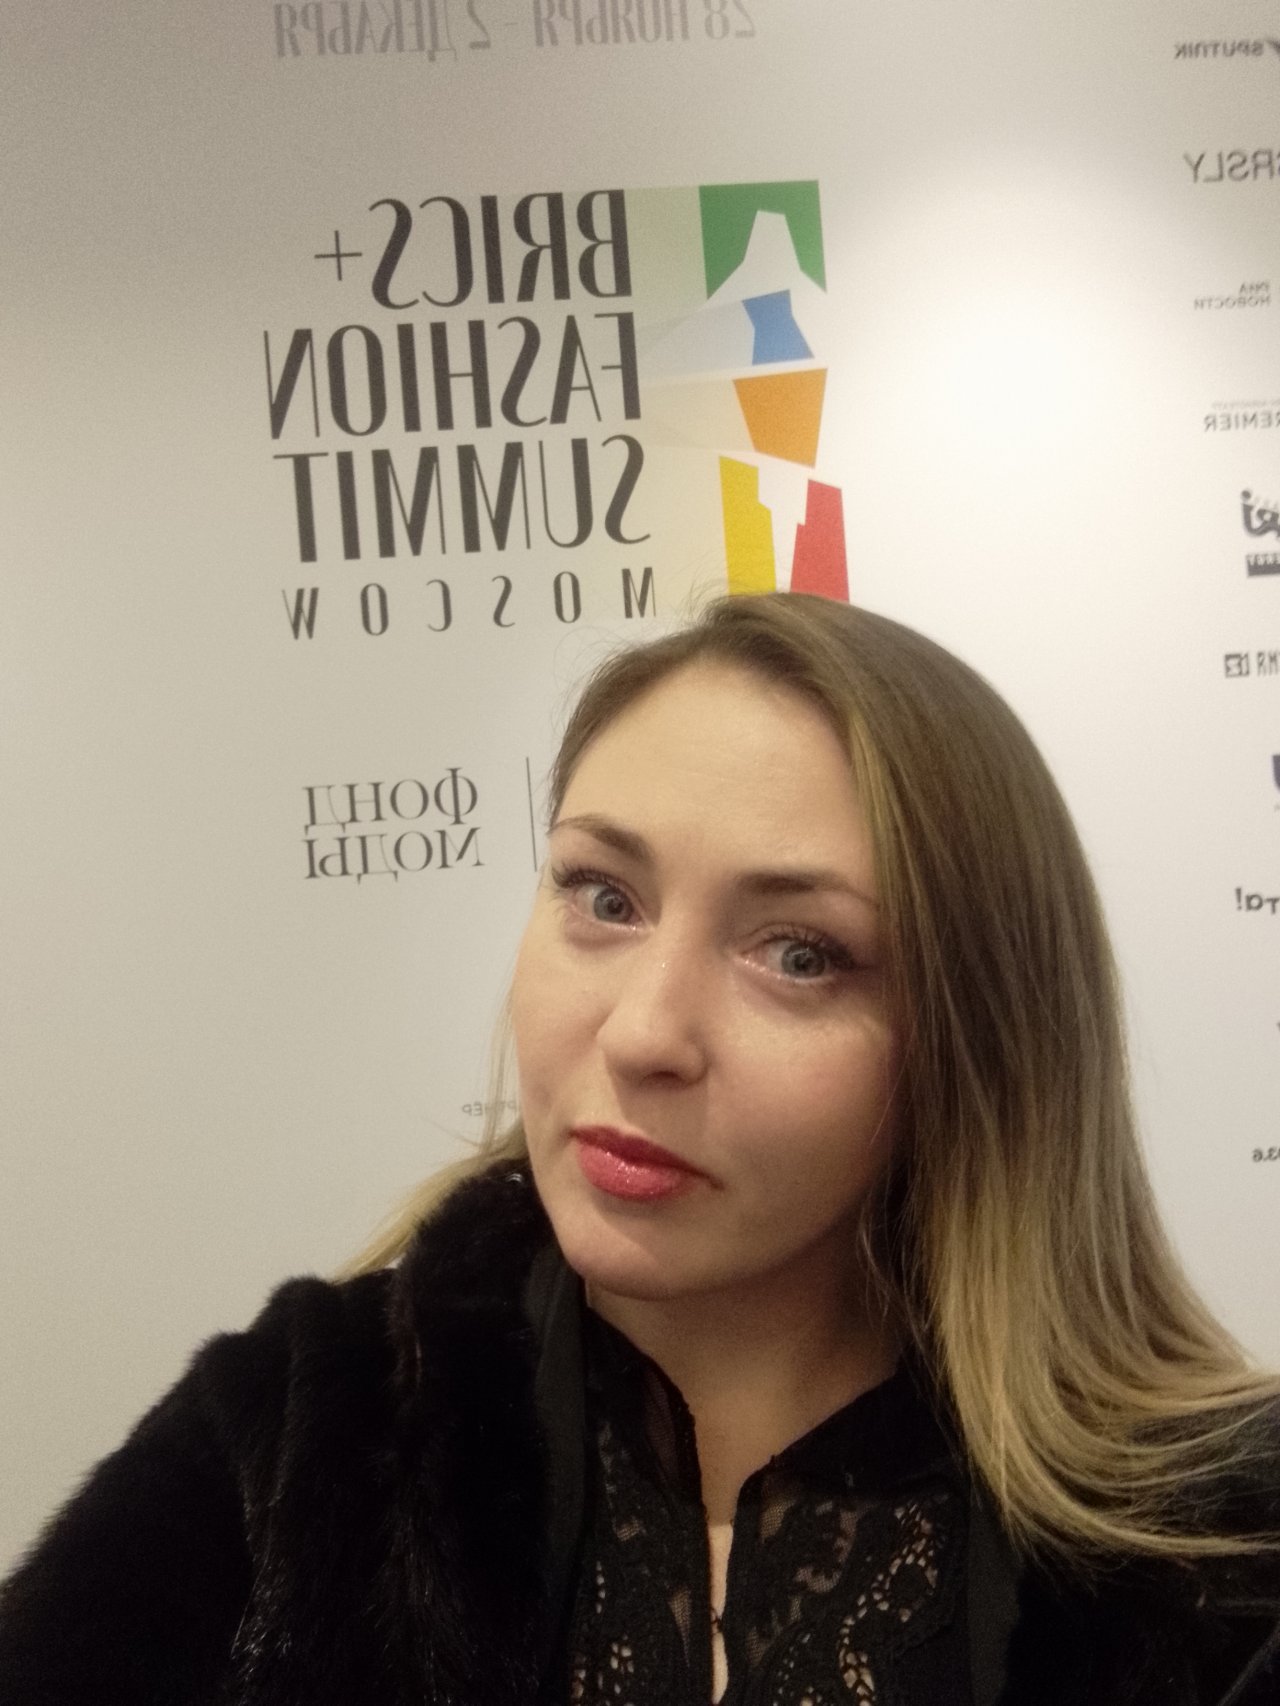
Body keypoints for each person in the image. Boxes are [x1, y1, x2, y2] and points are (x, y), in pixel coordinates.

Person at [1, 591, 1278, 1706]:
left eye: (798, 952)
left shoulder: (1220, 1555)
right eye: (601, 895)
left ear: (976, 1041)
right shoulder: (298, 1428)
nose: (643, 1032)